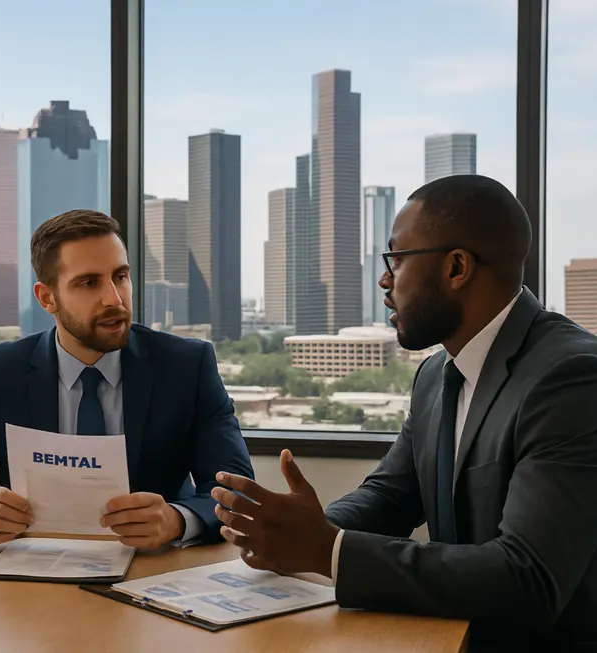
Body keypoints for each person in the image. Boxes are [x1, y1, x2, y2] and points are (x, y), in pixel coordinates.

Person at [211, 174, 597, 651]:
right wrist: (294, 532)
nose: (384, 278)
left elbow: (528, 578)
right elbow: (390, 498)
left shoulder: (571, 378)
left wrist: (326, 549)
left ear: (456, 268)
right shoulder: (436, 375)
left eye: (396, 258)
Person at [0, 209, 253, 549]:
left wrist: (178, 520)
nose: (115, 298)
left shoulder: (186, 366)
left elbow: (237, 488)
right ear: (47, 297)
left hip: (155, 572)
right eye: (89, 283)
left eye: (121, 276)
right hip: (31, 574)